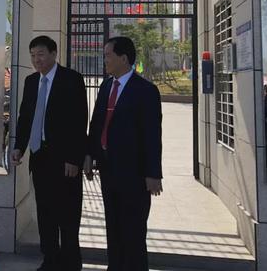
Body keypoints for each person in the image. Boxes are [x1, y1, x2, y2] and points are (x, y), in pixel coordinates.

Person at [83, 36, 163, 271]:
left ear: (124, 58)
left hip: (135, 174)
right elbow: (96, 123)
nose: (104, 59)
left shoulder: (146, 90)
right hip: (108, 170)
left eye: (108, 55)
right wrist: (89, 154)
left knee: (134, 231)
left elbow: (152, 135)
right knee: (113, 227)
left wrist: (153, 173)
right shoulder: (107, 85)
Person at [11, 35, 88, 271]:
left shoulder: (72, 79)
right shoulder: (31, 81)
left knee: (68, 214)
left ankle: (71, 262)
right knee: (45, 213)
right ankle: (51, 259)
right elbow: (26, 117)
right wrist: (18, 146)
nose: (37, 60)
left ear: (54, 54)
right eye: (33, 55)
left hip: (65, 160)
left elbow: (79, 121)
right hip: (40, 157)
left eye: (41, 54)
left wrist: (74, 159)